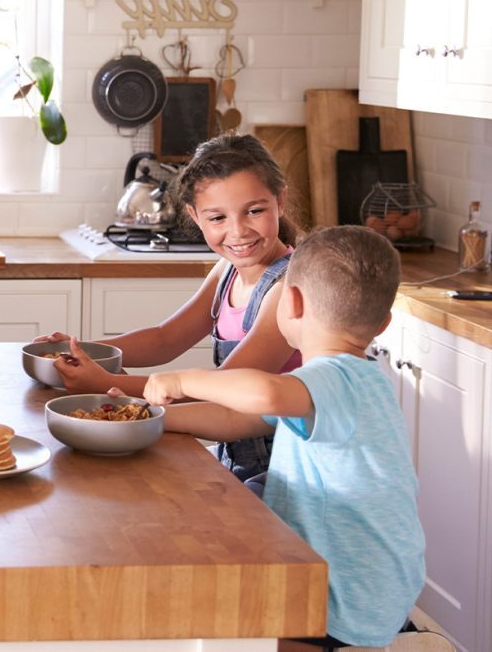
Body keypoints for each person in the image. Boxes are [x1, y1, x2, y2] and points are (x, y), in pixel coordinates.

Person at [141, 226, 425, 650]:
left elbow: (264, 392)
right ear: (384, 323)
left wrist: (182, 379)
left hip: (344, 589)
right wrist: (156, 419)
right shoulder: (357, 383)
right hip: (379, 577)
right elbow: (236, 419)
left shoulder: (331, 379)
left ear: (290, 302)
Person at [40, 133, 301, 491]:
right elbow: (165, 338)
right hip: (235, 455)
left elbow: (224, 385)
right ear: (195, 216)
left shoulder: (288, 287)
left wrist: (105, 384)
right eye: (218, 217)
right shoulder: (226, 272)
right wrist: (82, 350)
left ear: (280, 200)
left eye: (254, 211)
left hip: (287, 472)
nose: (238, 231)